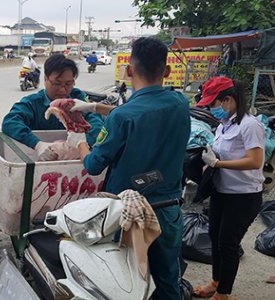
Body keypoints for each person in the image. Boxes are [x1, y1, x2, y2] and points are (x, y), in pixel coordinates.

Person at [66, 37, 190, 300]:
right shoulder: (180, 104)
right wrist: (96, 107)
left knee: (127, 282)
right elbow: (144, 110)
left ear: (129, 71)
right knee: (168, 280)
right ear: (166, 71)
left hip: (128, 215)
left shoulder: (121, 117)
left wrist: (79, 145)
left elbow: (93, 164)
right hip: (168, 210)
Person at [193, 76, 265, 300]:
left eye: (214, 104)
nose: (213, 109)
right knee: (215, 237)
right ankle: (216, 281)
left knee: (228, 244)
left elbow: (255, 160)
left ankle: (224, 293)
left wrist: (219, 164)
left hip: (243, 196)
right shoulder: (224, 126)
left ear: (229, 100)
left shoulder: (250, 125)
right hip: (221, 192)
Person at [2, 53, 103, 161]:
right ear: (45, 79)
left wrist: (80, 145)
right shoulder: (33, 103)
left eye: (68, 84)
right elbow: (10, 122)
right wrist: (37, 144)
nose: (63, 90)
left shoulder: (77, 98)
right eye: (57, 84)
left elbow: (96, 122)